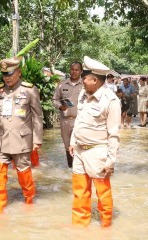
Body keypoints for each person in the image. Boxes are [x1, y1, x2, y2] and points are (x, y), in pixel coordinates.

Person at [69, 56, 121, 227]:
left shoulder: (111, 101)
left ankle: (106, 228)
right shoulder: (84, 95)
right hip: (79, 151)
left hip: (97, 152)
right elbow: (79, 120)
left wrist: (111, 161)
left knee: (102, 192)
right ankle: (79, 228)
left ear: (95, 80)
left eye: (85, 77)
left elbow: (114, 134)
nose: (82, 80)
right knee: (80, 191)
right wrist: (72, 141)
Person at [0, 56, 43, 214]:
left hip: (22, 140)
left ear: (19, 72)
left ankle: (29, 202)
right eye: (4, 74)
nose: (7, 77)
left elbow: (37, 117)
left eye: (10, 74)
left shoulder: (29, 89)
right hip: (0, 140)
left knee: (24, 174)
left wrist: (37, 140)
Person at [53, 62, 83, 168]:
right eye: (72, 69)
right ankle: (70, 167)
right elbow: (55, 100)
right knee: (67, 145)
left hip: (80, 120)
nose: (74, 72)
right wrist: (59, 106)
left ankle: (79, 168)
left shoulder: (85, 85)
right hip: (64, 120)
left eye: (76, 70)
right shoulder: (62, 84)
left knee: (79, 145)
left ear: (81, 71)